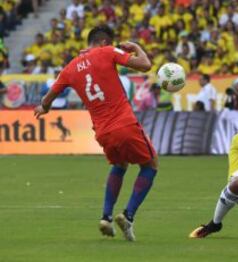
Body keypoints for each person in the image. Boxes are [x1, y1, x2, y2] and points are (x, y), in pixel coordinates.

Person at [34, 25, 157, 242]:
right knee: (150, 165)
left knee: (119, 165)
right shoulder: (107, 51)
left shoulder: (70, 68)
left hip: (102, 132)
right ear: (103, 42)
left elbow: (49, 96)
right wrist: (137, 47)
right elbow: (146, 65)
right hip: (124, 123)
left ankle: (106, 217)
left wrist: (44, 107)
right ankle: (128, 216)